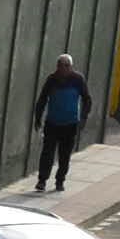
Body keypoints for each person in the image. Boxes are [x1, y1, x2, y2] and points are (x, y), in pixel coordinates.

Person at [33, 52, 92, 191]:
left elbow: (87, 99)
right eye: (60, 65)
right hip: (52, 123)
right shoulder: (51, 79)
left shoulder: (78, 79)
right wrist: (38, 118)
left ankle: (60, 181)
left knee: (64, 155)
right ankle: (42, 180)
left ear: (71, 67)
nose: (63, 68)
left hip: (70, 124)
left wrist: (83, 118)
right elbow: (42, 99)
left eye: (66, 65)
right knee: (47, 153)